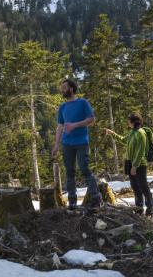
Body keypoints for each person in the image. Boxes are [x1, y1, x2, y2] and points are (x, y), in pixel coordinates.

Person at [51, 79, 102, 210]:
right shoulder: (62, 107)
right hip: (67, 144)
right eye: (62, 88)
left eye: (64, 88)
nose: (62, 90)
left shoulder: (83, 103)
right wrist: (56, 144)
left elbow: (91, 120)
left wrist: (75, 125)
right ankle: (72, 202)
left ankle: (96, 198)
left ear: (71, 89)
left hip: (81, 142)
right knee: (69, 172)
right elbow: (59, 126)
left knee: (84, 169)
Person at [105, 113, 153, 217]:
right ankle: (139, 209)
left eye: (129, 121)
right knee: (135, 187)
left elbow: (140, 151)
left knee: (143, 187)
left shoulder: (141, 133)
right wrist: (112, 133)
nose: (128, 123)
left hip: (139, 164)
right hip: (130, 162)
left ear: (133, 122)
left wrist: (135, 166)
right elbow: (123, 140)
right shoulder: (132, 132)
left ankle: (150, 210)